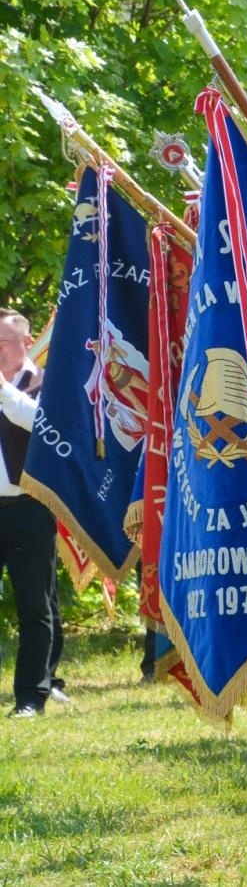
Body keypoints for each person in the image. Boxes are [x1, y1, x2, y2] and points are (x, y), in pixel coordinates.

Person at [0, 307, 55, 720]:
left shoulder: (44, 382)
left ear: (26, 343)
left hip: (28, 509)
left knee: (34, 606)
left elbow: (39, 423)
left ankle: (31, 697)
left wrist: (2, 388)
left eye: (2, 341)